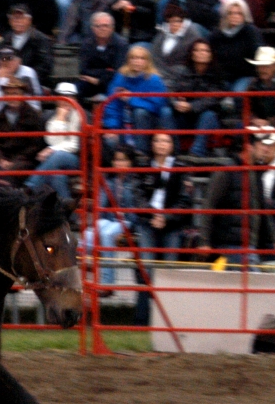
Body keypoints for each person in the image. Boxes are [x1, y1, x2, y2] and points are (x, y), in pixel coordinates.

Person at [198, 127, 275, 262]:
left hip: (247, 246)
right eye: (261, 144)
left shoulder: (255, 174)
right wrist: (204, 242)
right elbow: (209, 206)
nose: (264, 149)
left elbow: (263, 209)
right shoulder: (226, 172)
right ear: (249, 147)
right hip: (229, 246)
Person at [131, 132, 193, 325]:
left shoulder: (181, 169)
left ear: (172, 145)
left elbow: (185, 201)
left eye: (165, 140)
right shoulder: (144, 166)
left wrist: (165, 217)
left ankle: (168, 318)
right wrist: (153, 215)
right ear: (152, 144)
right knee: (146, 270)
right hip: (149, 222)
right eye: (157, 140)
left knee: (169, 270)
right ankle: (143, 318)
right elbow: (138, 196)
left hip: (171, 224)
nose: (161, 144)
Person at [101, 45, 172, 153]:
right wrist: (113, 128)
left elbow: (158, 106)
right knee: (110, 141)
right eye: (133, 58)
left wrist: (131, 99)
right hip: (123, 125)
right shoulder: (120, 77)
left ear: (147, 61)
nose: (137, 61)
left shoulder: (154, 79)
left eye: (141, 58)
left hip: (151, 124)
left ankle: (141, 152)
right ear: (128, 60)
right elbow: (112, 105)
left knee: (140, 112)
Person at [87, 145, 139, 288]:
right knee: (85, 238)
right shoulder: (109, 181)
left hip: (128, 222)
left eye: (123, 160)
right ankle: (89, 274)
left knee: (106, 233)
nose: (119, 164)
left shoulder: (135, 181)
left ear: (130, 163)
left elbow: (136, 210)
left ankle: (107, 282)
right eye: (117, 160)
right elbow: (100, 208)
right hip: (109, 221)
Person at [25, 82, 83, 201]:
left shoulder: (81, 115)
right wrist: (60, 119)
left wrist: (52, 149)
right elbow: (51, 140)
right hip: (53, 160)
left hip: (76, 158)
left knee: (58, 155)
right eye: (61, 96)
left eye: (69, 97)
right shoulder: (49, 116)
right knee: (57, 176)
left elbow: (74, 145)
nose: (65, 100)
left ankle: (30, 187)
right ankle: (69, 214)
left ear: (75, 99)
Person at [0, 76, 46, 180]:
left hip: (24, 159)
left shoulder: (33, 116)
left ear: (22, 95)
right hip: (2, 157)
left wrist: (13, 161)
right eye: (8, 93)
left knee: (9, 171)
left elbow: (36, 145)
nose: (11, 97)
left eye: (15, 93)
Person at [171, 39, 224, 158]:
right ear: (192, 53)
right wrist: (176, 103)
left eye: (205, 50)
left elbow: (213, 98)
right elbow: (171, 91)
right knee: (166, 112)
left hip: (208, 119)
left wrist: (191, 106)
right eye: (198, 50)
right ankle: (174, 151)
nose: (201, 53)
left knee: (208, 115)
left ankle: (195, 154)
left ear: (211, 54)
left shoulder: (217, 74)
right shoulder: (181, 72)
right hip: (185, 116)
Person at [0, 45, 44, 132]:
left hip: (20, 121)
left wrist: (2, 82)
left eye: (9, 58)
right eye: (2, 59)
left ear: (19, 61)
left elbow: (25, 101)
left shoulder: (27, 74)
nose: (5, 62)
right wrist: (1, 89)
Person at [208, 0, 264, 93]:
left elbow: (257, 52)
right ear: (225, 15)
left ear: (245, 15)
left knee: (237, 94)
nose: (235, 16)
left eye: (239, 13)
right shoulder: (217, 34)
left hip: (246, 74)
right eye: (231, 13)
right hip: (223, 76)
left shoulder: (251, 31)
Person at [76, 11, 128, 103]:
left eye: (106, 26)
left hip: (112, 83)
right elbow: (83, 70)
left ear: (112, 28)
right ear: (92, 28)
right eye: (98, 26)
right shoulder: (86, 43)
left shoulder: (121, 44)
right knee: (75, 89)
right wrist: (106, 71)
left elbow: (117, 71)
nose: (102, 29)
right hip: (89, 83)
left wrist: (97, 80)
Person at [150, 2, 203, 89]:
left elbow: (190, 63)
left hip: (180, 76)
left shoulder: (193, 35)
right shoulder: (161, 35)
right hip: (158, 73)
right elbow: (154, 56)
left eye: (178, 21)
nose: (174, 24)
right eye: (171, 21)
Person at [0, 3, 54, 83]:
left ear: (29, 20)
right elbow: (1, 59)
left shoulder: (40, 39)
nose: (18, 21)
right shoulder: (5, 39)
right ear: (9, 21)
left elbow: (45, 65)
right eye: (14, 18)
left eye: (21, 18)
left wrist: (25, 80)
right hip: (7, 81)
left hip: (32, 82)